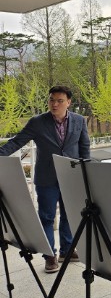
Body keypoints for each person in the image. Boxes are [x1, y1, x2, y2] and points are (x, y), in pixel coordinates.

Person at [0, 85, 90, 273]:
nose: (54, 104)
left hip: (70, 177)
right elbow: (17, 141)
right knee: (47, 217)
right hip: (47, 178)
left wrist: (85, 172)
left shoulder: (79, 121)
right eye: (51, 100)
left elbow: (84, 148)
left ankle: (67, 250)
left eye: (60, 101)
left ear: (68, 102)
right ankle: (49, 255)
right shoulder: (38, 122)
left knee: (68, 216)